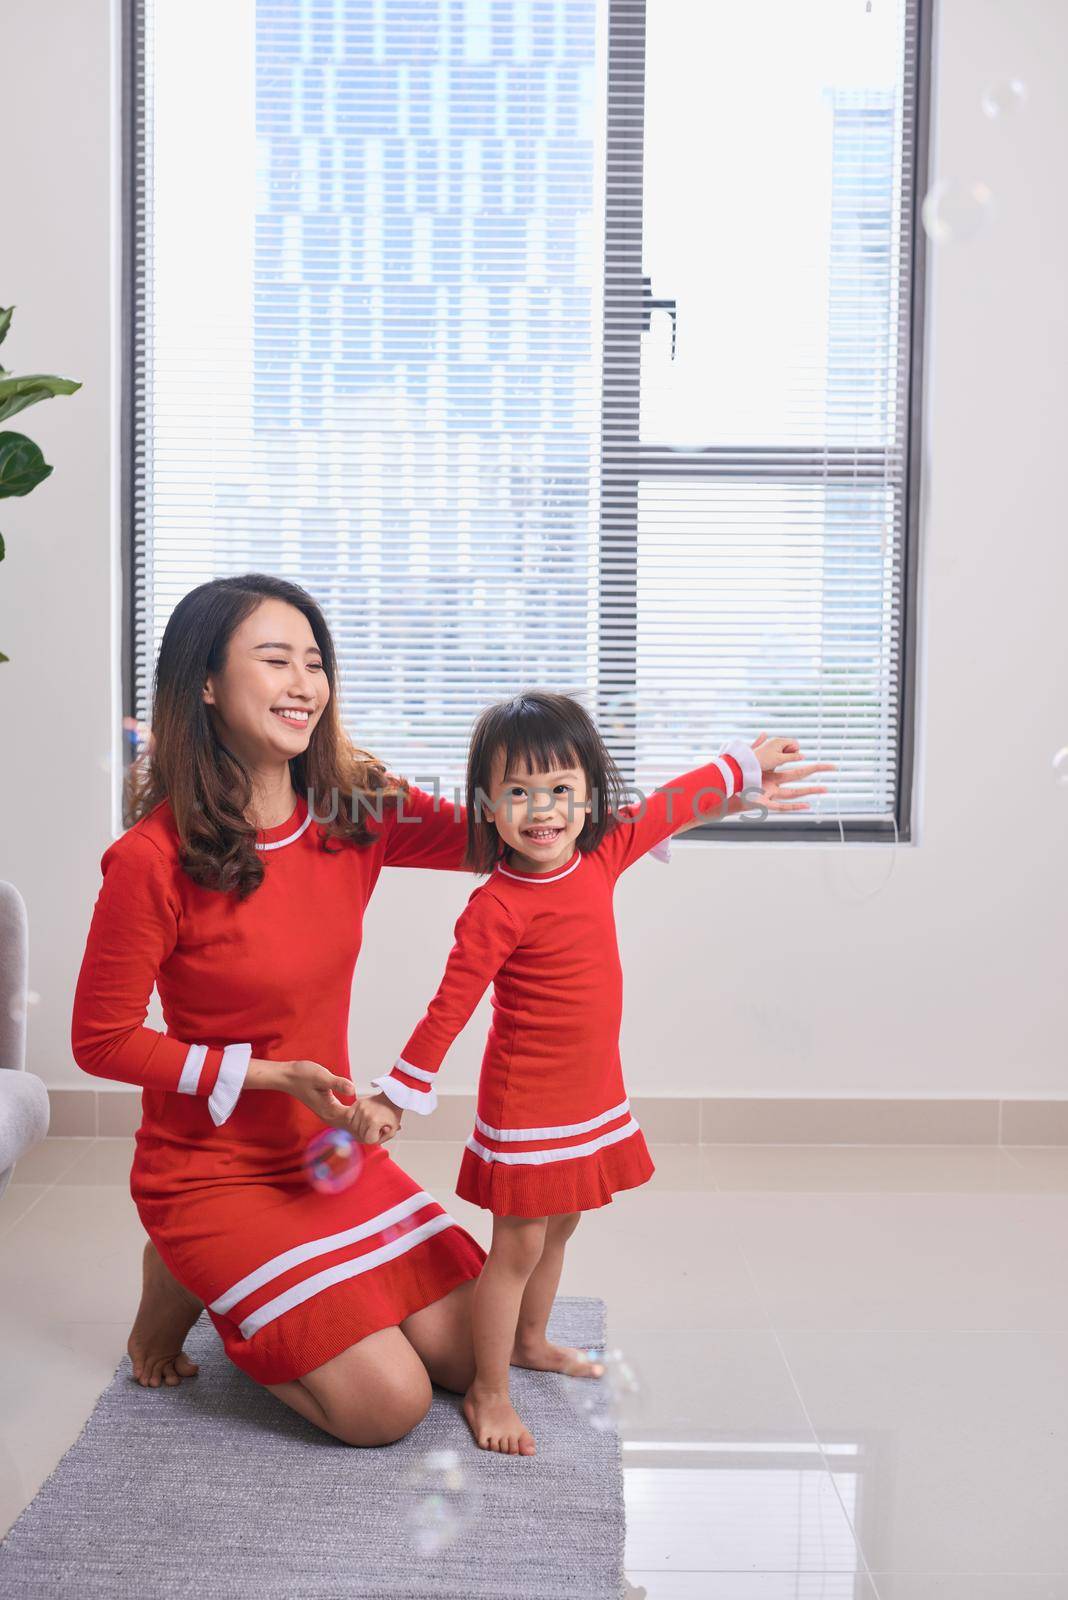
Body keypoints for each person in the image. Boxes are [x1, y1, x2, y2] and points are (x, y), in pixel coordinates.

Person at [71, 573, 493, 1447]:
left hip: (324, 1154)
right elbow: (99, 1040)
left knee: (472, 1353)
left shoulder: (353, 810)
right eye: (275, 660)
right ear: (208, 684)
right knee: (389, 1409)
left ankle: (219, 1283)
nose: (305, 683)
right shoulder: (150, 860)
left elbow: (513, 832)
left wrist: (711, 791)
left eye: (315, 662)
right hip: (208, 1172)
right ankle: (183, 1276)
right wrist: (269, 1075)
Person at [351, 691, 833, 1454]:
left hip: (589, 1091)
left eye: (560, 790)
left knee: (562, 1226)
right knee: (515, 1245)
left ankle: (531, 1340)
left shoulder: (601, 855)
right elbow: (449, 1008)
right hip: (527, 1103)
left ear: (588, 796)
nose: (541, 810)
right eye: (517, 793)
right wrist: (398, 1095)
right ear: (487, 806)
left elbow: (669, 806)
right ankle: (488, 1389)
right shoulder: (497, 907)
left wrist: (742, 767)